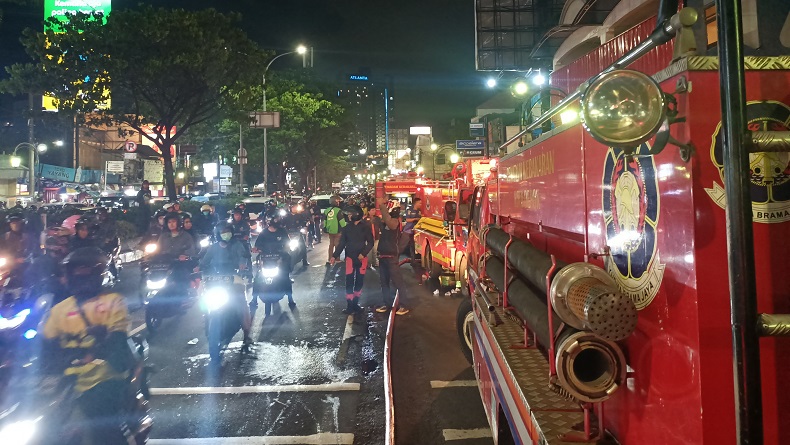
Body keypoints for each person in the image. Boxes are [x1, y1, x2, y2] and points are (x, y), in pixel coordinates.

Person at [42, 247, 133, 445]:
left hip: (104, 379)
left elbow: (118, 336)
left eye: (85, 271)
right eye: (75, 271)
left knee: (102, 431)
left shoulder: (113, 302)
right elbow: (45, 343)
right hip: (67, 380)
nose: (79, 276)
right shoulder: (59, 309)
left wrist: (102, 343)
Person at [200, 224, 252, 345]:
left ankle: (246, 332)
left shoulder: (237, 245)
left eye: (228, 231)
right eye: (223, 232)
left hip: (234, 276)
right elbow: (205, 261)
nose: (226, 234)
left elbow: (243, 256)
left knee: (241, 302)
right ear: (218, 234)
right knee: (203, 298)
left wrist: (242, 264)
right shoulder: (213, 247)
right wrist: (198, 267)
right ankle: (207, 320)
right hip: (215, 279)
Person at [330, 205, 374, 314]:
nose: (349, 216)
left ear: (357, 214)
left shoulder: (366, 227)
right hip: (349, 258)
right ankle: (349, 305)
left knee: (359, 282)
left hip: (362, 259)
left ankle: (356, 304)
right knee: (349, 282)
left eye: (351, 214)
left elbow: (371, 243)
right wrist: (334, 256)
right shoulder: (346, 228)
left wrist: (363, 254)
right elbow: (342, 244)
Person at [252, 210, 296, 308]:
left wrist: (285, 250)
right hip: (266, 260)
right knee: (258, 278)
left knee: (285, 277)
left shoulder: (282, 231)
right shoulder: (263, 233)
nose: (278, 220)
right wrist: (256, 249)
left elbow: (287, 243)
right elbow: (257, 245)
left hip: (280, 259)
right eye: (276, 219)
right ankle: (254, 299)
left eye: (278, 218)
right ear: (270, 220)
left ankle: (290, 298)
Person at [375, 199, 409, 315]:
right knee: (384, 282)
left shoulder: (394, 222)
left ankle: (404, 305)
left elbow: (389, 222)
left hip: (391, 256)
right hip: (383, 255)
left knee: (398, 282)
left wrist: (382, 206)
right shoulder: (388, 221)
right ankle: (386, 303)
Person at [323, 195, 346, 265]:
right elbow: (342, 222)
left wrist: (325, 228)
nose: (339, 203)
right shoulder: (338, 210)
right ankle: (337, 259)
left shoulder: (326, 210)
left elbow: (325, 221)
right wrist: (346, 227)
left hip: (330, 230)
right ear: (335, 202)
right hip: (337, 231)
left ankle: (330, 259)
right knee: (337, 244)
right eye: (338, 201)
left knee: (331, 245)